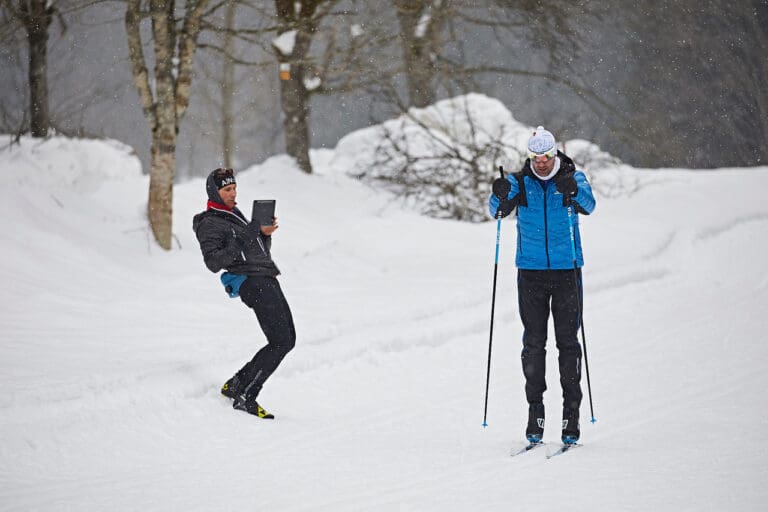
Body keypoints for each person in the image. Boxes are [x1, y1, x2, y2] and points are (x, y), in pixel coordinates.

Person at [488, 126, 596, 445]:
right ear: (531, 157)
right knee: (534, 344)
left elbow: (589, 206)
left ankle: (570, 416)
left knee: (567, 343)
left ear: (555, 154)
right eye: (537, 158)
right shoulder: (520, 182)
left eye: (547, 157)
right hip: (531, 272)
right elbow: (495, 210)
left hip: (567, 272)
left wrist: (573, 192)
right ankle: (535, 413)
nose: (542, 163)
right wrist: (498, 193)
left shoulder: (572, 177)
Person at [192, 167, 296, 419]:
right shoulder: (209, 223)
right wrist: (248, 236)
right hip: (252, 283)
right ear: (214, 192)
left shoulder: (233, 214)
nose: (233, 193)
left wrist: (263, 235)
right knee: (281, 341)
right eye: (227, 189)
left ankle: (236, 384)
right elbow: (213, 262)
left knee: (287, 339)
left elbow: (256, 251)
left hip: (266, 277)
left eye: (234, 188)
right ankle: (246, 396)